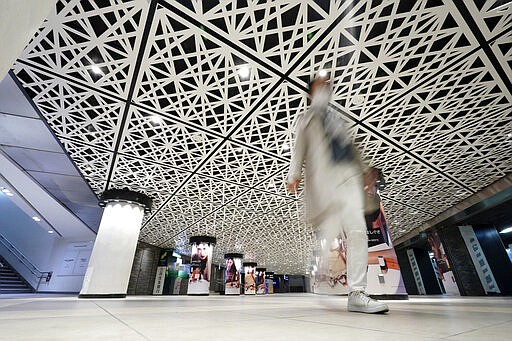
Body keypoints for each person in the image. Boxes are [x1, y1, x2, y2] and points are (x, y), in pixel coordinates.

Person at [287, 75, 389, 313]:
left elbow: (350, 148)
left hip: (349, 178)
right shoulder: (305, 119)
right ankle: (322, 266)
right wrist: (293, 175)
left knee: (357, 230)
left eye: (327, 86)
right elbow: (298, 148)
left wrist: (365, 171)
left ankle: (357, 292)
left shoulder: (337, 120)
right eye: (320, 85)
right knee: (333, 226)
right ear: (311, 92)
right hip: (327, 180)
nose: (326, 88)